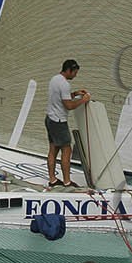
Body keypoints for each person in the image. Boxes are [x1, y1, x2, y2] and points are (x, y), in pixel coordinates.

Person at [45, 60, 89, 189]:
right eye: (74, 72)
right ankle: (67, 182)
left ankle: (52, 180)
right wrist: (83, 100)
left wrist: (75, 94)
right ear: (69, 70)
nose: (75, 75)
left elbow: (61, 97)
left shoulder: (55, 79)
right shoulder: (64, 84)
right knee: (66, 150)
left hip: (50, 119)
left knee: (53, 149)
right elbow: (69, 105)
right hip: (59, 122)